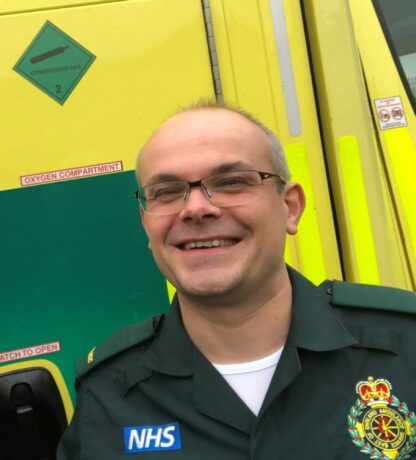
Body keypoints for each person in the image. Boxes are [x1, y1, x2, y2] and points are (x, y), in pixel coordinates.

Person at [57, 102, 416, 460]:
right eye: (166, 191)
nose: (196, 208)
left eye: (230, 182)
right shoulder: (107, 395)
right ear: (146, 224)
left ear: (289, 207)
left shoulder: (406, 346)